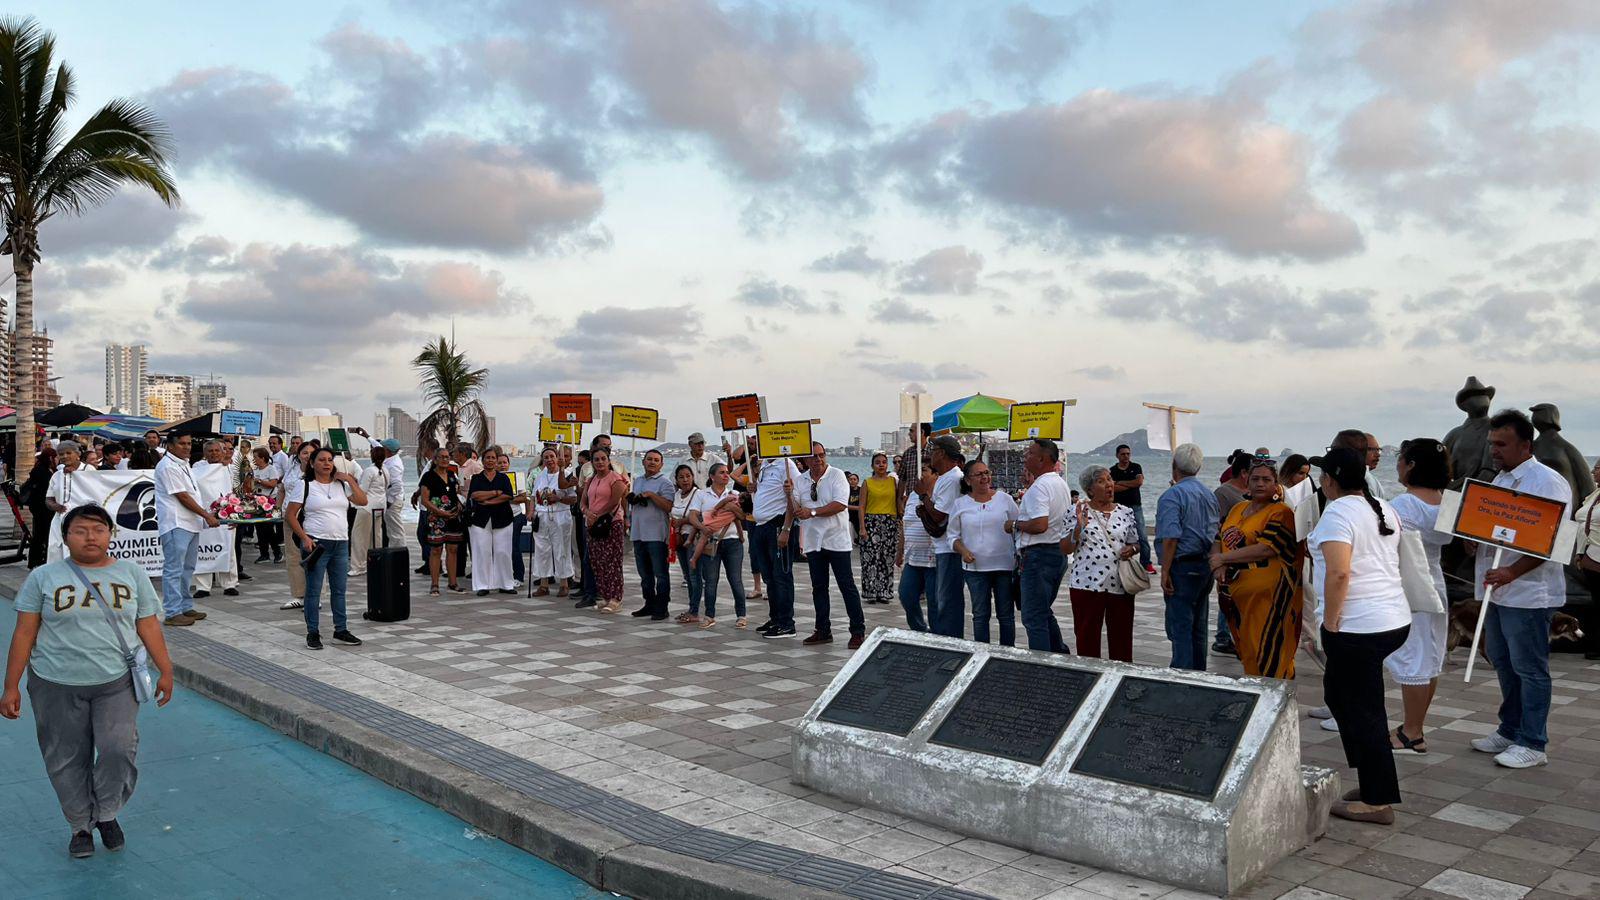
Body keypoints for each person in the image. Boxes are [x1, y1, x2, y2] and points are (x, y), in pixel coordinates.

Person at [1, 504, 175, 859]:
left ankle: (107, 813)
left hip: (116, 681)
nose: (90, 537)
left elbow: (148, 625)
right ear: (66, 538)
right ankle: (80, 825)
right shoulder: (43, 578)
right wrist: (11, 686)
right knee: (66, 757)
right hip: (55, 682)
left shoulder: (132, 573)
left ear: (111, 534)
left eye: (98, 529)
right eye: (80, 530)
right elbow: (24, 633)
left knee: (117, 749)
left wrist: (166, 670)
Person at [1306, 448, 1410, 825]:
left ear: (1331, 480)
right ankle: (1370, 778)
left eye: (1322, 475)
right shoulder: (1379, 505)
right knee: (1339, 694)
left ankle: (1377, 799)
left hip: (1359, 626)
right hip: (1390, 619)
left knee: (1363, 711)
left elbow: (1339, 574)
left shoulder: (1337, 513)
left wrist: (1330, 624)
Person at [1469, 410, 1572, 769]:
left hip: (1528, 593)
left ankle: (1533, 742)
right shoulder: (1498, 479)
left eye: (1501, 444)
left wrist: (1513, 571)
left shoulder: (1547, 482)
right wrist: (1470, 540)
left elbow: (1553, 540)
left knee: (1529, 667)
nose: (1494, 450)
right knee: (1502, 661)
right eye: (1491, 444)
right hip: (1496, 589)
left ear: (1525, 445)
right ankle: (1510, 728)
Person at [1381, 439, 1452, 753]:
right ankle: (1416, 725)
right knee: (1431, 655)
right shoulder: (1446, 501)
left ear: (1411, 465)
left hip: (1410, 582)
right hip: (1435, 579)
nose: (1397, 466)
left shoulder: (1405, 504)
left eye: (1401, 460)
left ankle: (1412, 731)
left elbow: (1390, 546)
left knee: (1413, 656)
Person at [1211, 457, 1303, 678]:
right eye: (1255, 479)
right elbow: (1218, 537)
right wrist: (1218, 565)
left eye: (1266, 479)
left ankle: (1279, 705)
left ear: (1276, 483)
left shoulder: (1281, 513)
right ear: (1247, 481)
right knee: (1248, 653)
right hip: (1237, 599)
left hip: (1270, 601)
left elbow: (1267, 549)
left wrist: (1224, 558)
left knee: (1272, 655)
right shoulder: (1238, 509)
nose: (1260, 484)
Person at [285, 447, 367, 649]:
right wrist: (304, 537)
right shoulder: (304, 485)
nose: (327, 463)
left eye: (330, 459)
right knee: (313, 591)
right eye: (321, 460)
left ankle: (341, 630)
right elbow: (290, 515)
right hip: (316, 544)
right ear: (312, 463)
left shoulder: (340, 485)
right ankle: (313, 632)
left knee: (339, 590)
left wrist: (349, 479)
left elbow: (363, 500)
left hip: (340, 543)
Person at [1065, 464, 1141, 661]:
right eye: (1101, 481)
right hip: (1087, 584)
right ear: (1090, 489)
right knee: (1087, 639)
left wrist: (1131, 549)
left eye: (1109, 480)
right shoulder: (1076, 511)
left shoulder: (1125, 512)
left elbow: (1135, 542)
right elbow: (1065, 549)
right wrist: (1078, 528)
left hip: (1120, 584)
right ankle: (1089, 679)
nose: (1109, 485)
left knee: (1122, 640)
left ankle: (1122, 680)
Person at [1156, 443, 1220, 670]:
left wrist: (1165, 570)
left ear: (1174, 466)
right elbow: (1215, 533)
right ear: (1199, 467)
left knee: (1180, 627)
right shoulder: (1208, 495)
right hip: (1204, 565)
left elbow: (1171, 537)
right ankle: (1198, 674)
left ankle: (1181, 675)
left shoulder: (1171, 496)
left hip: (1182, 566)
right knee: (1198, 627)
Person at [795, 443, 864, 648]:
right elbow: (797, 507)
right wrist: (790, 495)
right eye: (814, 456)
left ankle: (858, 630)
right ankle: (823, 629)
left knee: (846, 585)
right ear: (806, 460)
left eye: (821, 455)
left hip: (837, 540)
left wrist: (813, 512)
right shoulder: (801, 480)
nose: (818, 460)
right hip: (814, 541)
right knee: (819, 587)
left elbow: (840, 504)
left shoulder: (836, 475)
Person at [1009, 438, 1071, 652]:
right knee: (1043, 611)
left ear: (1043, 459)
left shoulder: (1041, 487)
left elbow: (1039, 524)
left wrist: (1014, 524)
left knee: (1033, 616)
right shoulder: (1060, 483)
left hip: (1038, 555)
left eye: (1030, 453)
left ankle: (1040, 663)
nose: (1025, 457)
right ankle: (1058, 652)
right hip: (1056, 553)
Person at [949, 459, 1018, 646]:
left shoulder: (1005, 499)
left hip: (1004, 565)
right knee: (980, 615)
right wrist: (963, 551)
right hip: (975, 568)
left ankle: (1007, 652)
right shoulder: (960, 504)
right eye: (979, 474)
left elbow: (1018, 527)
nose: (984, 477)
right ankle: (982, 652)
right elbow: (952, 536)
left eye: (987, 473)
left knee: (1006, 614)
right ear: (968, 480)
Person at [154, 434, 219, 627]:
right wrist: (206, 515)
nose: (187, 447)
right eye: (182, 444)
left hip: (190, 522)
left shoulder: (184, 463)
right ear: (171, 446)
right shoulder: (167, 466)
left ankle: (184, 606)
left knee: (187, 568)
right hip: (176, 523)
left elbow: (191, 494)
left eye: (189, 443)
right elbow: (183, 497)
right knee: (174, 569)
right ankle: (173, 612)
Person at [744, 440, 801, 639]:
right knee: (769, 576)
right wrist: (754, 488)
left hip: (777, 524)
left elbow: (795, 496)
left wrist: (786, 528)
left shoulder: (788, 466)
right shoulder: (766, 466)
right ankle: (776, 618)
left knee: (781, 575)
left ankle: (786, 623)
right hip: (761, 525)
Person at [687, 462, 747, 628]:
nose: (726, 475)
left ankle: (741, 615)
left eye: (727, 472)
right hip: (711, 542)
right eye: (722, 472)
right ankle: (709, 615)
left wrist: (731, 507)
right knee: (711, 580)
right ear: (712, 477)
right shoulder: (701, 494)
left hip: (732, 541)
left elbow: (743, 516)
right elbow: (693, 516)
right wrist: (702, 529)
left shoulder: (734, 493)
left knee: (735, 579)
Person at [917, 435, 966, 639]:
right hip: (943, 547)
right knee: (942, 598)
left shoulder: (952, 478)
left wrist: (923, 496)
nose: (930, 455)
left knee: (947, 599)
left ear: (942, 453)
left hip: (949, 548)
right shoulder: (946, 478)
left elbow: (939, 515)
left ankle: (952, 642)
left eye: (933, 450)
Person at [623, 449, 674, 620]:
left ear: (662, 464)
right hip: (638, 533)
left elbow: (668, 506)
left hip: (657, 535)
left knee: (660, 573)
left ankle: (662, 606)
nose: (652, 462)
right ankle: (649, 603)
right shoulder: (637, 481)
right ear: (643, 461)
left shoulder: (665, 483)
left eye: (656, 460)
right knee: (644, 574)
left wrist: (651, 495)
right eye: (649, 459)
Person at [189, 440, 240, 599]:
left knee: (228, 549)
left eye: (217, 450)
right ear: (205, 453)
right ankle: (203, 586)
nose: (214, 454)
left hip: (227, 513)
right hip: (204, 514)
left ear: (223, 451)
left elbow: (238, 488)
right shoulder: (197, 468)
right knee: (203, 548)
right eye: (210, 451)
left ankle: (229, 583)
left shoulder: (231, 468)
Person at [466, 447, 517, 596]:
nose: (490, 460)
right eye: (487, 458)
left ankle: (506, 584)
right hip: (480, 520)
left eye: (493, 458)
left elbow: (507, 496)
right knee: (482, 552)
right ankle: (483, 585)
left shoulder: (503, 478)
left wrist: (488, 502)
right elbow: (475, 495)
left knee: (503, 552)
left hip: (503, 519)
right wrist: (494, 493)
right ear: (482, 461)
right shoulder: (476, 478)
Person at [583, 447, 628, 614]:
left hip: (611, 524)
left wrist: (597, 515)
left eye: (603, 458)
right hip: (593, 524)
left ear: (609, 460)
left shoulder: (616, 479)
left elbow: (615, 501)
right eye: (596, 459)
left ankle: (616, 598)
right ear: (592, 462)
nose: (600, 462)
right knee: (597, 561)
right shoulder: (591, 480)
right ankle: (605, 596)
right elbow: (583, 502)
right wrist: (588, 513)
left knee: (613, 562)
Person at [418, 449, 466, 594]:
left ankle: (453, 583)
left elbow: (455, 494)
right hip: (436, 518)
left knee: (453, 549)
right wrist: (440, 512)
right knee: (436, 550)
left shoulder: (452, 475)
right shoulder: (428, 477)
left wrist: (458, 507)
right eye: (442, 457)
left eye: (447, 457)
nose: (445, 460)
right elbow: (424, 500)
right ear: (435, 459)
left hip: (453, 517)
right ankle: (435, 585)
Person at [528, 448, 575, 596]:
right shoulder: (540, 476)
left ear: (557, 458)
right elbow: (533, 497)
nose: (549, 460)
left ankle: (564, 583)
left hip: (560, 515)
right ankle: (544, 584)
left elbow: (574, 499)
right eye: (546, 457)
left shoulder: (566, 475)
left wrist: (559, 498)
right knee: (542, 550)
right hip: (542, 516)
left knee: (562, 549)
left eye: (552, 456)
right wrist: (530, 512)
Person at [897, 461, 935, 631]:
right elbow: (905, 524)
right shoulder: (912, 495)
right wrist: (900, 550)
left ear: (935, 474)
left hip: (933, 558)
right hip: (912, 557)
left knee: (935, 601)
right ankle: (919, 629)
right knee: (906, 595)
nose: (919, 475)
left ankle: (938, 635)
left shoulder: (939, 494)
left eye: (924, 470)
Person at [858, 453, 900, 605]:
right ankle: (870, 592)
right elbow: (861, 506)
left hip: (889, 522)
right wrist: (862, 527)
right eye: (877, 462)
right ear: (872, 466)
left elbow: (898, 501)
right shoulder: (867, 483)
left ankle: (885, 591)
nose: (881, 465)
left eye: (884, 462)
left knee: (887, 559)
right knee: (870, 559)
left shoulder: (893, 482)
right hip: (871, 522)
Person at [1109, 444, 1154, 574]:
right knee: (1119, 536)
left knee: (1142, 536)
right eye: (1123, 454)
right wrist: (1130, 484)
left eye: (1128, 454)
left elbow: (1139, 482)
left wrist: (1120, 483)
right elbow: (1113, 488)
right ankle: (1122, 561)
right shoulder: (1112, 471)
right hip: (1119, 508)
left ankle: (1146, 564)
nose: (1126, 456)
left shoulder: (1136, 467)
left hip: (1135, 507)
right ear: (1117, 455)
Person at [1573, 457, 1600, 660]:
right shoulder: (1594, 495)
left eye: (1597, 469)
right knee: (1595, 602)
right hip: (1589, 555)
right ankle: (1593, 643)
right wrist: (1579, 553)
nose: (1592, 473)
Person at [669, 464, 704, 618]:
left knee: (694, 575)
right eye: (681, 477)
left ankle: (694, 610)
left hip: (693, 539)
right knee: (687, 576)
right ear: (676, 480)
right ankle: (691, 608)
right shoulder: (677, 495)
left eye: (688, 476)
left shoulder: (699, 494)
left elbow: (701, 517)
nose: (685, 480)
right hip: (679, 538)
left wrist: (683, 521)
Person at [349, 446, 390, 578]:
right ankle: (376, 562)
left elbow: (362, 491)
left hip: (366, 507)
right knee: (376, 536)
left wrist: (352, 482)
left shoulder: (370, 470)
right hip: (380, 506)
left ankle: (358, 566)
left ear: (372, 456)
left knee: (359, 537)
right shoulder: (385, 470)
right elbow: (386, 486)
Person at [23, 446, 58, 568]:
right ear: (50, 458)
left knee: (41, 534)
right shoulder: (42, 471)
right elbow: (45, 491)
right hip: (42, 508)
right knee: (40, 535)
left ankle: (38, 560)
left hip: (41, 508)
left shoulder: (44, 469)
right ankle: (36, 560)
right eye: (56, 457)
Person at [44, 440, 87, 518]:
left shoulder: (88, 470)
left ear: (78, 454)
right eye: (61, 454)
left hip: (84, 518)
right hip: (60, 519)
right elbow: (49, 499)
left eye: (68, 453)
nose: (65, 456)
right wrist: (55, 506)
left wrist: (77, 475)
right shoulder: (57, 475)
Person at [895, 423, 931, 501]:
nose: (909, 434)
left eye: (911, 431)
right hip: (910, 499)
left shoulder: (933, 452)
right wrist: (899, 500)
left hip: (930, 499)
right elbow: (902, 479)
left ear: (922, 432)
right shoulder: (908, 453)